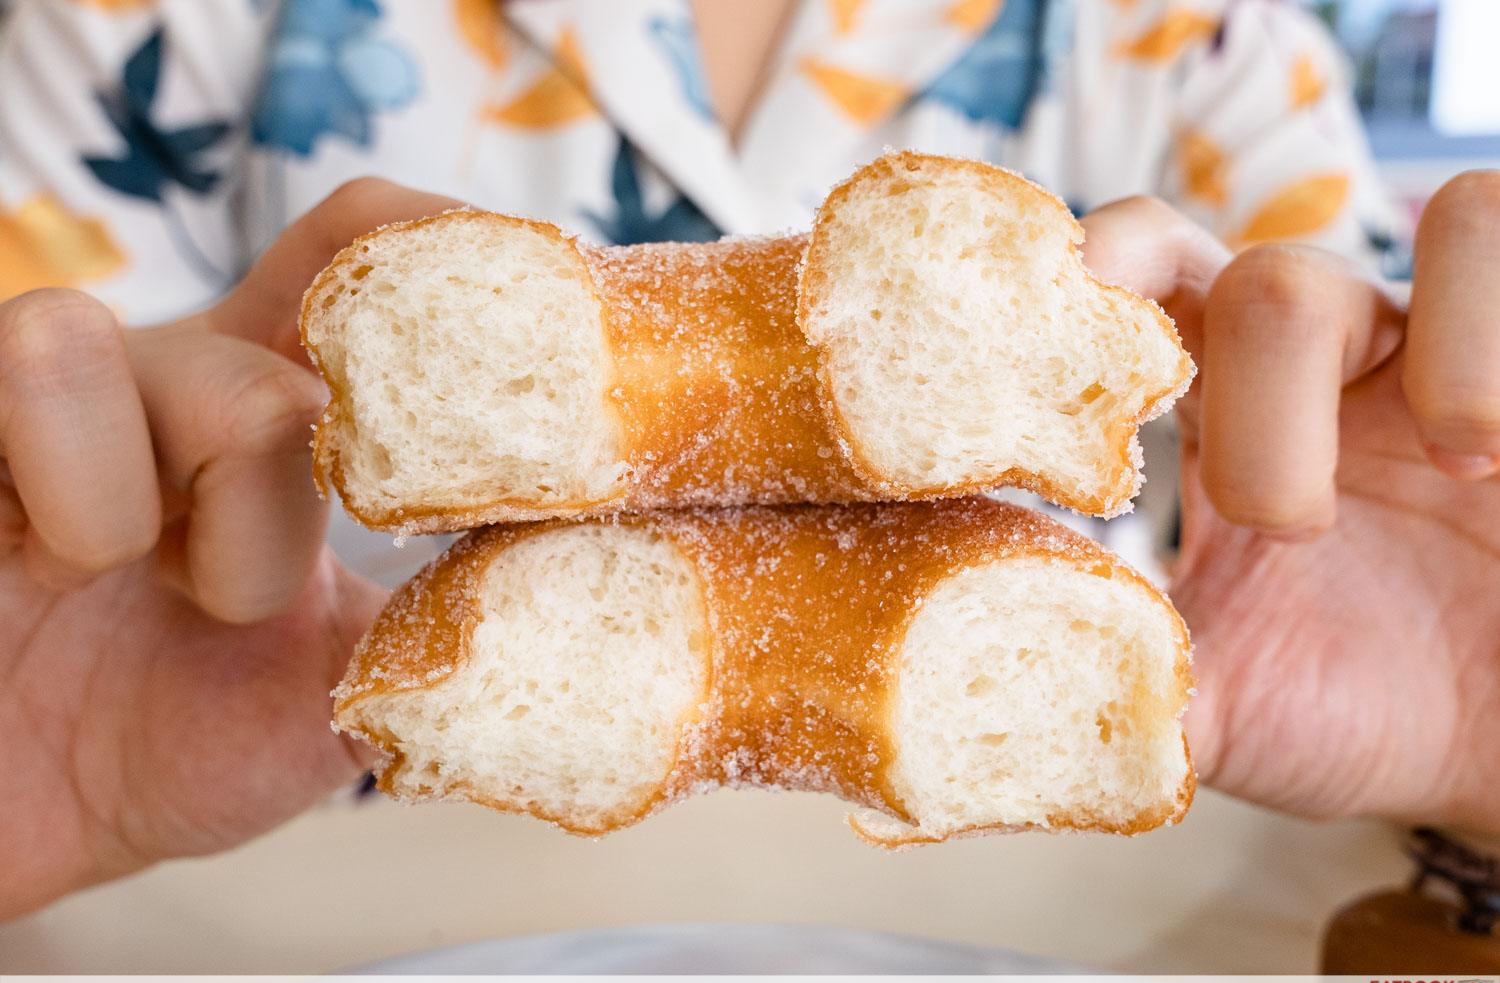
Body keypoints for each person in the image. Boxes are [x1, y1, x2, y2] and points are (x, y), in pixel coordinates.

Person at [0, 0, 1495, 923]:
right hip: (241, 937)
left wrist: (1480, 772)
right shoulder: (138, 24)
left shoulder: (1200, 36)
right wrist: (44, 779)